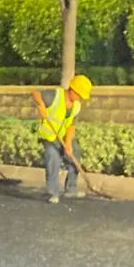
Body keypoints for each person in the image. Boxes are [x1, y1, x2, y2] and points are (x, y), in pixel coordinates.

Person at [34, 74, 93, 204]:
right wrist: (42, 106)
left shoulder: (76, 106)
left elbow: (71, 126)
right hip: (49, 136)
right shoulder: (55, 95)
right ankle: (53, 193)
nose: (80, 99)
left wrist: (68, 143)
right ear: (72, 90)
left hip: (63, 136)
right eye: (79, 95)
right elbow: (36, 93)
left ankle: (71, 189)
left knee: (75, 153)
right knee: (53, 159)